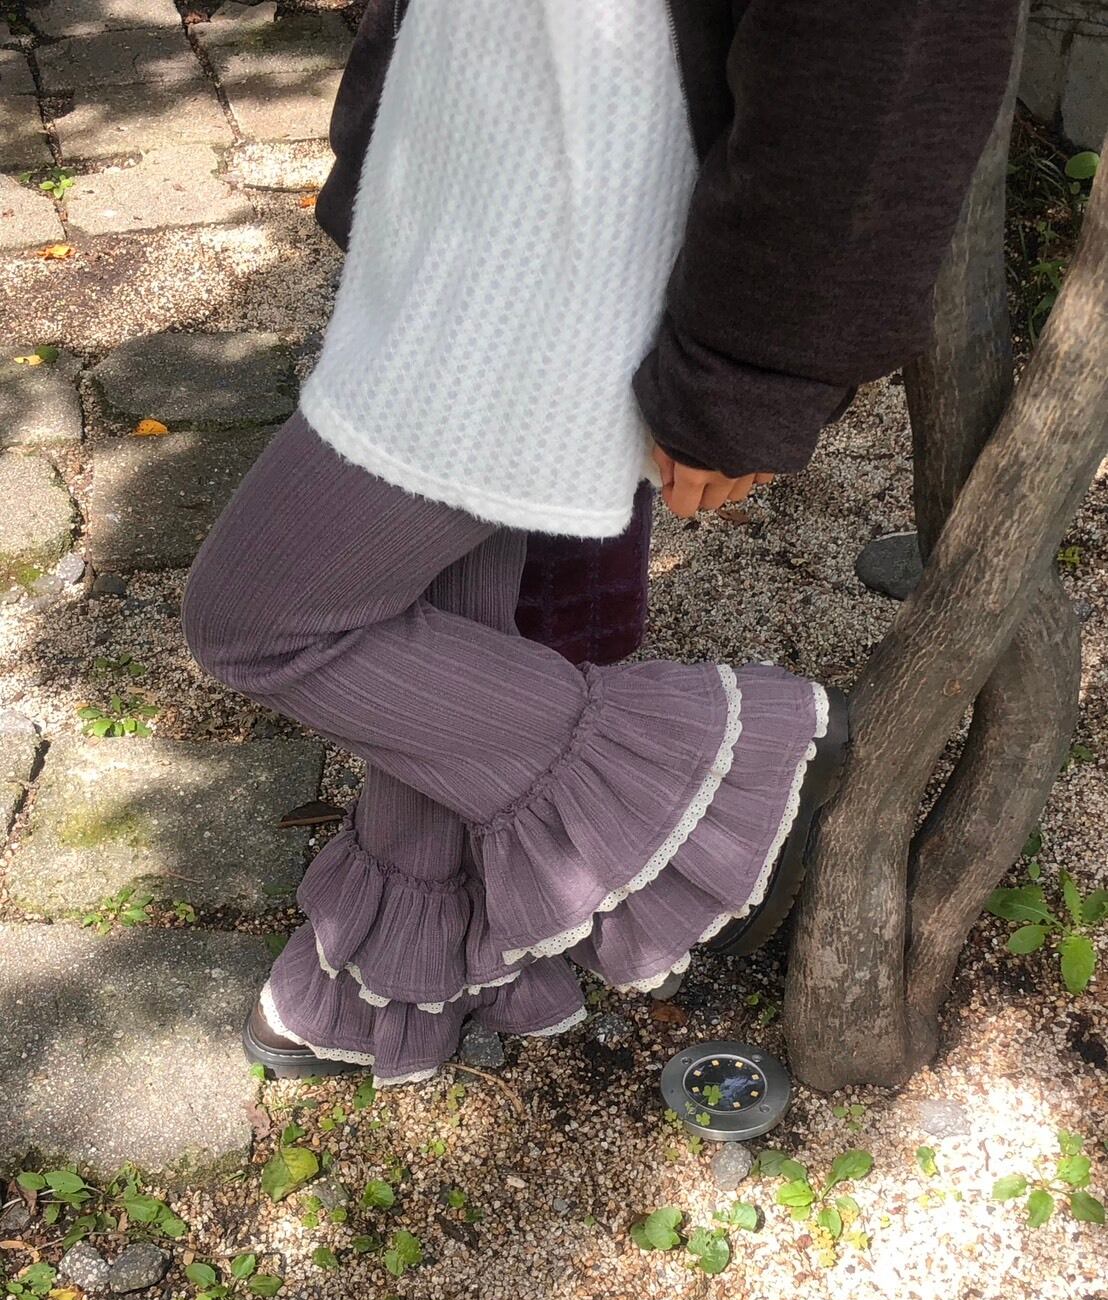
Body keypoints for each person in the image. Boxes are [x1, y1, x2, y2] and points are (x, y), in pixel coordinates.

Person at [182, 0, 1019, 1084]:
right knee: (447, 611)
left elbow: (887, 48)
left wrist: (750, 371)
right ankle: (409, 974)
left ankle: (712, 783)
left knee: (257, 618)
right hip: (463, 186)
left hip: (575, 236)